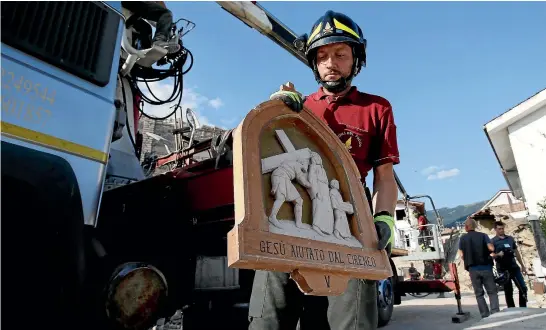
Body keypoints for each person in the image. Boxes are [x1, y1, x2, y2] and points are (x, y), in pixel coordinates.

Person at [247, 10, 399, 330]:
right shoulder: (298, 106)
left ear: (356, 59)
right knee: (269, 315)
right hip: (294, 215)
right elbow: (266, 151)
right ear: (315, 64)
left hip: (350, 222)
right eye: (323, 56)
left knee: (352, 320)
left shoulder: (377, 108)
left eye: (341, 54)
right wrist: (277, 110)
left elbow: (384, 175)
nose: (331, 63)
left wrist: (383, 217)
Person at [458, 217, 500, 318]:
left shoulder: (463, 238)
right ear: (475, 226)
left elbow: (461, 255)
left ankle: (485, 314)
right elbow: (491, 248)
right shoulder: (483, 235)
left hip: (473, 269)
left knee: (479, 294)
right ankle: (495, 312)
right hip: (486, 267)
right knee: (492, 291)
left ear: (466, 227)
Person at [491, 220, 528, 308]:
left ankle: (523, 307)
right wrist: (497, 255)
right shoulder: (493, 241)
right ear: (495, 229)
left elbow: (517, 252)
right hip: (503, 269)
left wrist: (522, 266)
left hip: (514, 266)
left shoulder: (510, 239)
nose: (501, 230)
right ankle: (511, 308)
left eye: (503, 228)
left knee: (523, 287)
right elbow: (491, 255)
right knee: (508, 290)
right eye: (499, 229)